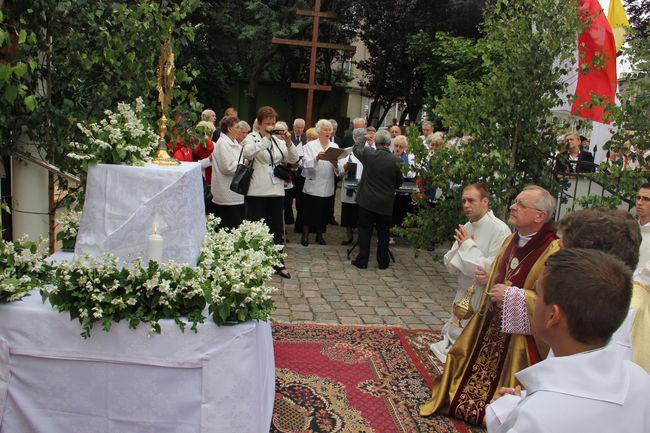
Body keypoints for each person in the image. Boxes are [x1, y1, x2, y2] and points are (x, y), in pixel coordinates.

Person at [420, 185, 559, 426]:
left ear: (540, 216)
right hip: (491, 321)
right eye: (515, 202)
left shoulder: (553, 250)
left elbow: (553, 302)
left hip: (520, 338)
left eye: (520, 205)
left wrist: (515, 295)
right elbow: (493, 273)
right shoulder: (510, 240)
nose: (513, 207)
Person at [486, 249, 650, 433]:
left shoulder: (537, 418)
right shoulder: (641, 379)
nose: (533, 300)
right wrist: (523, 400)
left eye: (537, 294)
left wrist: (510, 414)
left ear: (553, 315)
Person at [429, 183, 511, 362]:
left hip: (482, 295)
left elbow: (489, 270)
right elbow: (450, 262)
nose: (466, 205)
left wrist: (467, 247)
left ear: (485, 202)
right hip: (464, 289)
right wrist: (463, 249)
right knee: (452, 338)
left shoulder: (500, 230)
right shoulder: (469, 225)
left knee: (470, 346)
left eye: (471, 200)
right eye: (464, 201)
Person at [242, 106, 299, 278]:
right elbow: (248, 153)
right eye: (267, 123)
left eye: (273, 123)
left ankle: (278, 262)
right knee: (256, 228)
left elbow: (293, 159)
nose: (271, 126)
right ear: (259, 124)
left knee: (276, 229)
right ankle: (253, 262)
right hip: (257, 191)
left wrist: (289, 142)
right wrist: (265, 138)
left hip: (276, 190)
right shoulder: (251, 138)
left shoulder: (278, 141)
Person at [351, 129, 403, 270]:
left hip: (367, 201)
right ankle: (383, 261)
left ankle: (363, 260)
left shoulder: (369, 154)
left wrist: (363, 138)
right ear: (388, 143)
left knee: (365, 231)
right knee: (384, 232)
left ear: (376, 142)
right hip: (385, 202)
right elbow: (399, 182)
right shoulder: (396, 160)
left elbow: (356, 149)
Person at [300, 119, 341, 246]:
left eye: (330, 129)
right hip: (313, 184)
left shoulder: (335, 147)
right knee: (308, 212)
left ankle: (319, 235)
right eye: (325, 129)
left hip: (327, 184)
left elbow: (340, 169)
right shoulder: (310, 146)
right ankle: (305, 236)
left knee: (323, 213)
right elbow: (303, 164)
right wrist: (316, 158)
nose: (328, 132)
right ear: (319, 131)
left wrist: (336, 164)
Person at [210, 115, 245, 230]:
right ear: (229, 129)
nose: (240, 129)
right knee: (228, 228)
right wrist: (244, 165)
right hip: (226, 195)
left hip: (235, 193)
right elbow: (227, 167)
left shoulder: (234, 142)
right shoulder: (222, 144)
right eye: (237, 127)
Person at [339, 128, 366, 245]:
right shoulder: (346, 152)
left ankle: (361, 238)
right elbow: (339, 171)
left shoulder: (368, 151)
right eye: (358, 138)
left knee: (361, 214)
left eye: (362, 139)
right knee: (348, 214)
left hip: (363, 187)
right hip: (349, 188)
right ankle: (349, 236)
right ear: (354, 139)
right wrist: (344, 167)